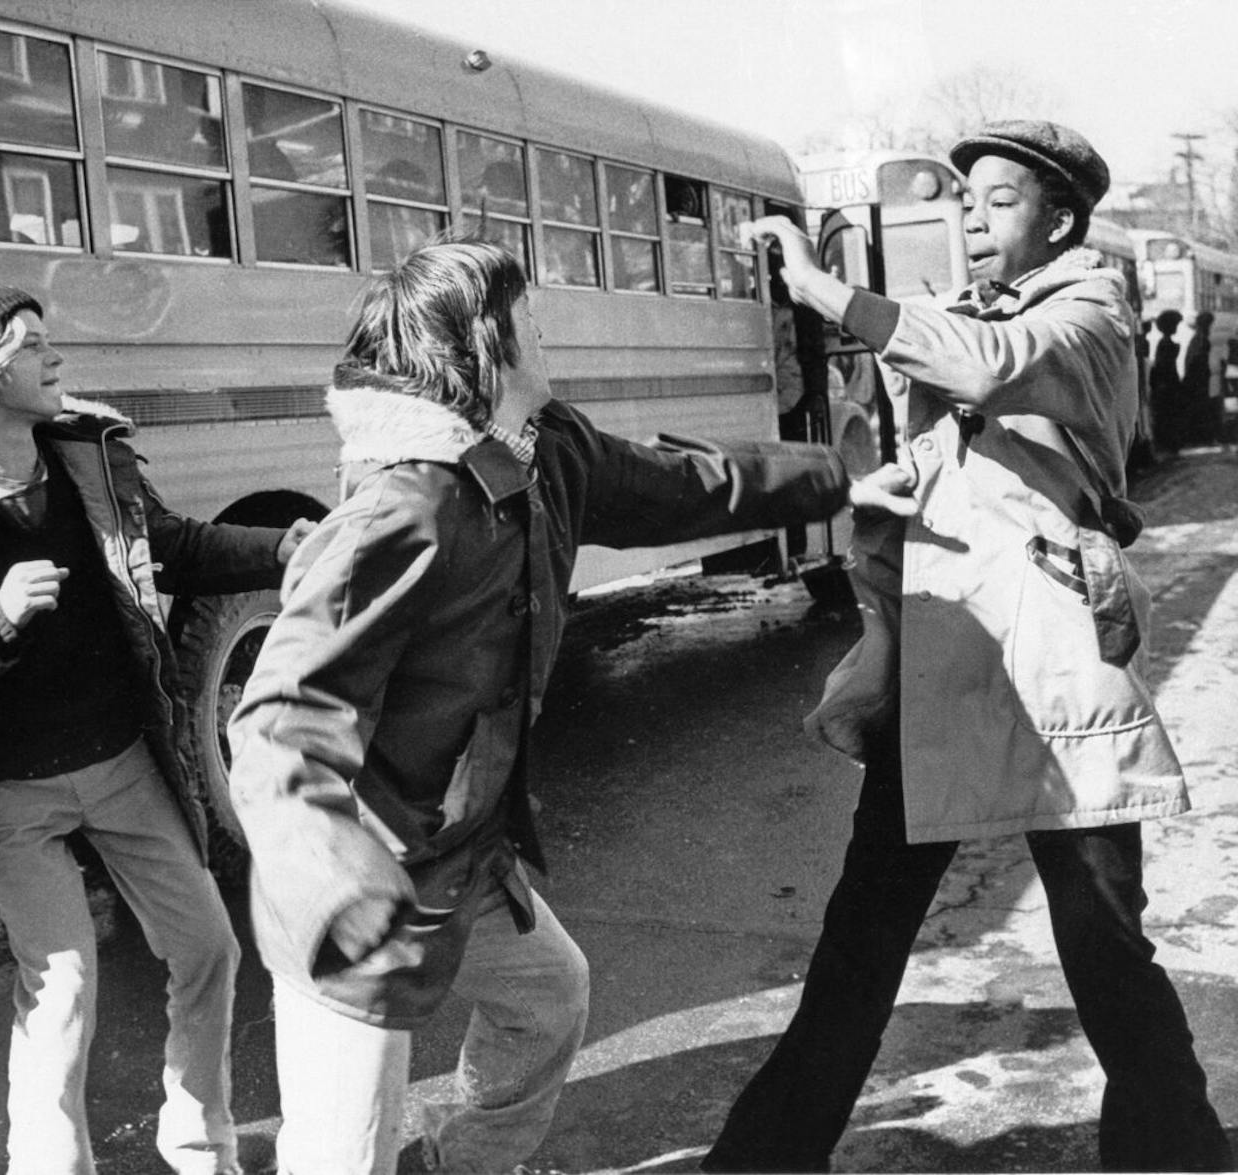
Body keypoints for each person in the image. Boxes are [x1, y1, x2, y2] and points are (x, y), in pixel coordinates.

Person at [224, 237, 919, 1175]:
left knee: (549, 997)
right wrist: (341, 886)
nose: (545, 327)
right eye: (528, 317)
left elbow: (674, 487)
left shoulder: (543, 451)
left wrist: (836, 480)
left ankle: (457, 1166)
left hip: (459, 854)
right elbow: (278, 724)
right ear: (483, 348)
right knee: (341, 1152)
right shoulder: (402, 511)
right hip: (358, 891)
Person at [705, 122, 1234, 1174]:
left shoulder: (1086, 312)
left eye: (998, 201)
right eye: (965, 202)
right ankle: (760, 1158)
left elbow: (987, 366)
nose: (971, 221)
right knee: (859, 941)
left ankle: (1173, 1152)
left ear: (1060, 219)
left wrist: (821, 288)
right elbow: (912, 398)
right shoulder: (971, 313)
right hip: (950, 674)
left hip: (1047, 676)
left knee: (1101, 946)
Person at [0, 285, 311, 1175]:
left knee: (209, 944)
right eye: (31, 347)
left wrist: (274, 545)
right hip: (8, 789)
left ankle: (200, 1144)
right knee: (63, 989)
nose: (55, 359)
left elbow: (173, 545)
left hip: (123, 763)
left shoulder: (91, 460)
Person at [1150, 308, 1184, 454]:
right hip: (1167, 386)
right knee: (1169, 416)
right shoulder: (1166, 345)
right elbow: (1164, 367)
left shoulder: (1165, 344)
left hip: (1167, 385)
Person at [1183, 309, 1216, 446]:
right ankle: (1200, 438)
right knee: (1200, 408)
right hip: (1197, 379)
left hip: (1198, 378)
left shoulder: (1198, 338)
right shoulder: (1200, 339)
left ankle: (1199, 437)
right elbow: (1196, 359)